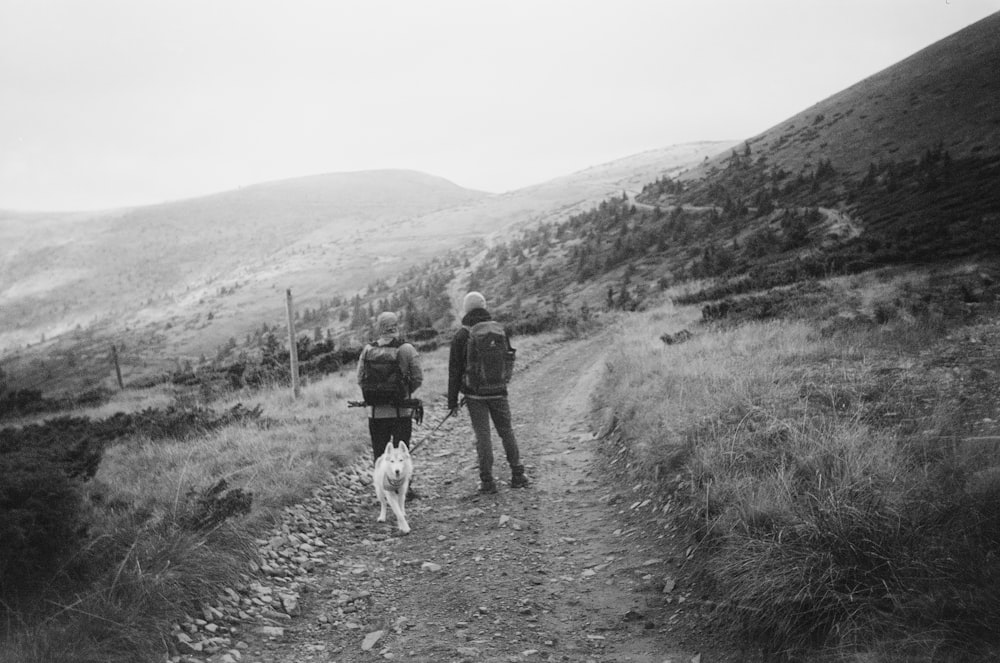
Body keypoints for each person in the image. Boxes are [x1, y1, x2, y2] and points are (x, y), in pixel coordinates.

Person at [448, 291, 529, 493]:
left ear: (466, 309)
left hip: (474, 395)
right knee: (506, 431)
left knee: (483, 436)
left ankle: (487, 481)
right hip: (499, 391)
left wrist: (452, 401)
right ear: (484, 306)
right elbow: (508, 359)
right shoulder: (498, 330)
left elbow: (454, 370)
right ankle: (518, 474)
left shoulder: (462, 334)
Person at [357, 311, 423, 496]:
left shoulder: (368, 350)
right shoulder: (406, 349)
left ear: (379, 327)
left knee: (380, 453)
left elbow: (360, 379)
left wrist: (376, 396)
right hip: (401, 411)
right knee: (401, 454)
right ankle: (403, 489)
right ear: (396, 325)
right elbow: (418, 377)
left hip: (376, 413)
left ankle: (384, 490)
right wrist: (404, 393)